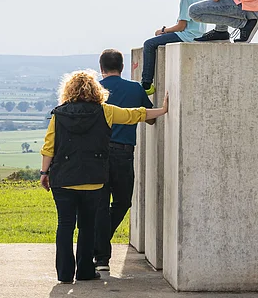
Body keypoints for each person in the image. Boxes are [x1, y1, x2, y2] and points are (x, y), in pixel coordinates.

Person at [40, 70, 169, 284]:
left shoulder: (59, 114)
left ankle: (64, 274)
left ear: (68, 90)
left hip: (63, 178)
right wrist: (163, 110)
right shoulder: (105, 111)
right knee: (87, 225)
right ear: (96, 90)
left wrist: (45, 173)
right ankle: (84, 271)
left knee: (65, 225)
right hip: (93, 178)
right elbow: (134, 114)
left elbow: (49, 147)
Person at [93, 49, 154, 273]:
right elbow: (149, 118)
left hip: (96, 155)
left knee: (100, 204)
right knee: (122, 202)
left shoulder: (94, 90)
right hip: (123, 153)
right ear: (122, 67)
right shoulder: (135, 89)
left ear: (101, 68)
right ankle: (99, 251)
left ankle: (100, 254)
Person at [141, 0, 206, 95]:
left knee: (149, 44)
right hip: (198, 34)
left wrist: (163, 30)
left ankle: (146, 84)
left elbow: (181, 26)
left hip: (187, 36)